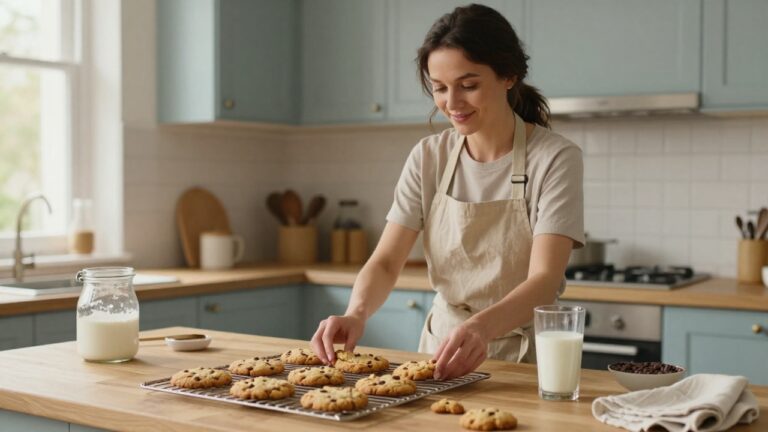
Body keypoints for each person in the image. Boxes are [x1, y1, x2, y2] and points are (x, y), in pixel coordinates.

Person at [310, 3, 584, 380]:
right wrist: (356, 312)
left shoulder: (555, 158)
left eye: (468, 86)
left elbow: (544, 281)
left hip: (524, 362)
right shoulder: (428, 157)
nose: (451, 104)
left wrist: (482, 329)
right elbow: (387, 261)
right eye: (439, 88)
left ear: (509, 75)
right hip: (439, 354)